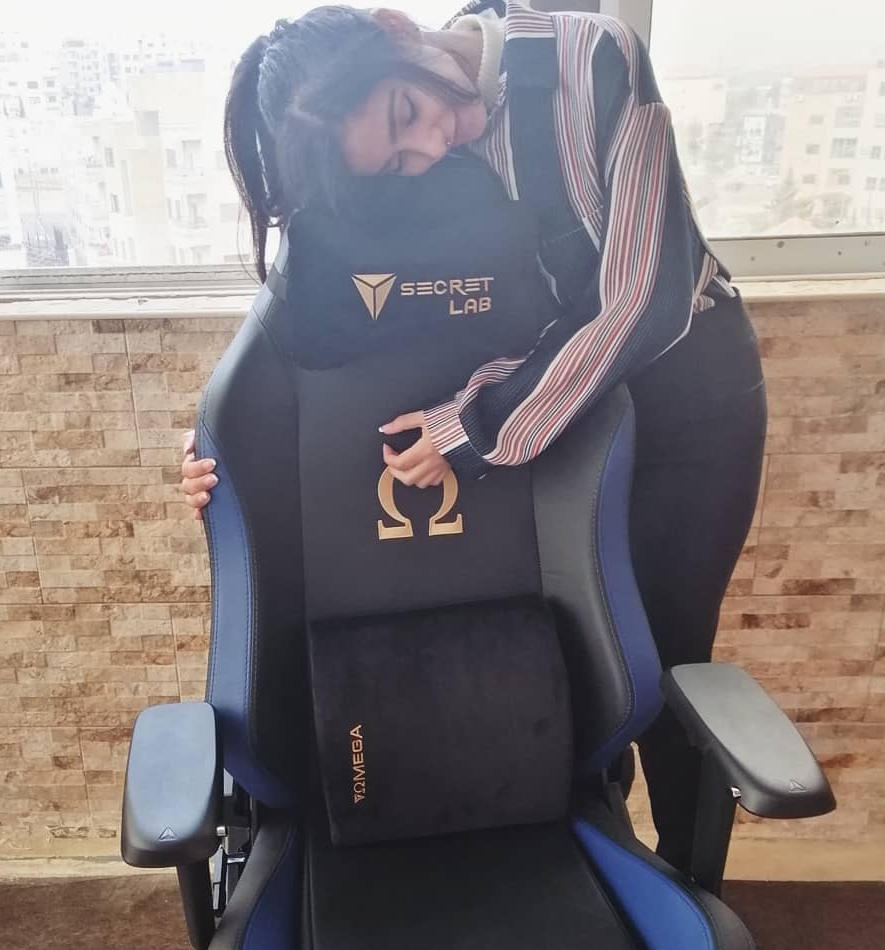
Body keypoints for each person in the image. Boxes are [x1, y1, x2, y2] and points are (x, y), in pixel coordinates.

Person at [180, 0, 766, 874]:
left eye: (408, 113)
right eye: (398, 159)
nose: (434, 145)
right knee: (575, 650)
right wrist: (226, 448)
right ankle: (581, 846)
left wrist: (474, 425)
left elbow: (643, 298)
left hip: (681, 387)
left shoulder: (591, 59)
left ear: (393, 26)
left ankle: (681, 881)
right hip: (537, 397)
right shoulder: (398, 152)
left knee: (666, 663)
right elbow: (331, 304)